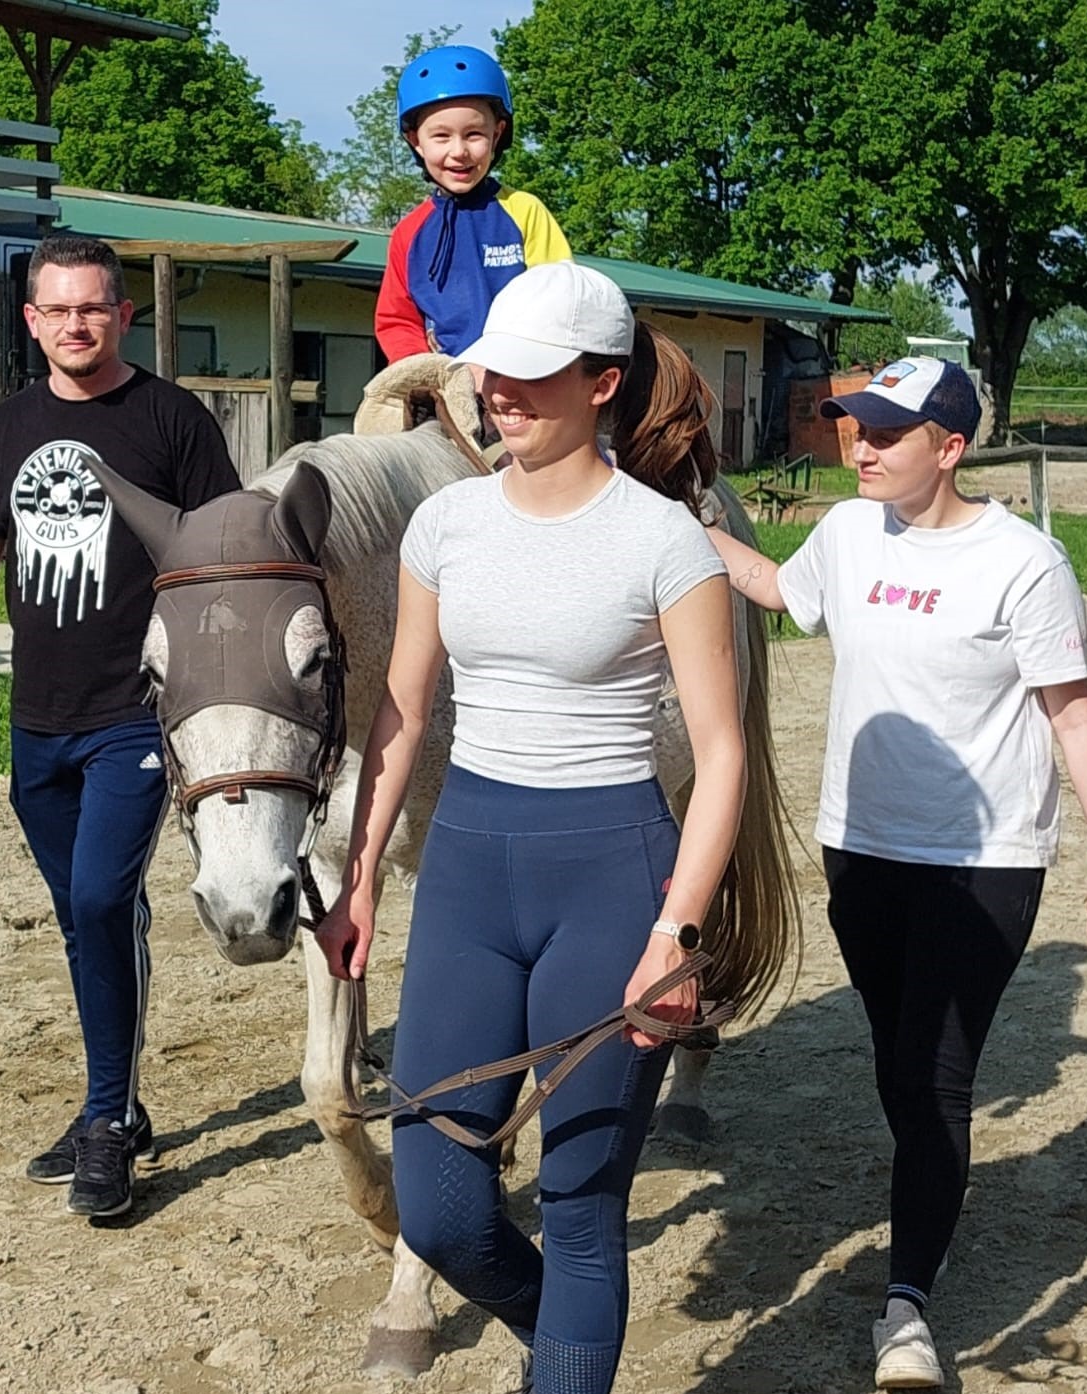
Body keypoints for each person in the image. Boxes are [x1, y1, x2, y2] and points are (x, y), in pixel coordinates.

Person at [315, 260, 760, 1394]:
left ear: (601, 382)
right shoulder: (445, 524)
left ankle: (567, 1361)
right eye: (491, 374)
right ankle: (561, 1335)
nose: (499, 394)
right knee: (442, 1209)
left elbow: (721, 755)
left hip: (611, 877)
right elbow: (402, 708)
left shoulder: (666, 542)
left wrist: (675, 934)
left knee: (580, 1206)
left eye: (530, 375)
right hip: (467, 870)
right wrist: (359, 879)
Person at [704, 356, 1087, 1388]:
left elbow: (1071, 713)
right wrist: (675, 518)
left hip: (982, 863)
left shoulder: (1024, 563)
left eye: (888, 433)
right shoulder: (849, 532)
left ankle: (905, 1306)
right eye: (857, 427)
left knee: (934, 1074)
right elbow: (776, 589)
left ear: (950, 447)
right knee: (899, 1063)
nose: (861, 447)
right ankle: (932, 1192)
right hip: (859, 847)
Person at [0, 235, 240, 1220]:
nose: (75, 324)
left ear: (122, 315)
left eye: (92, 307)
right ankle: (118, 1098)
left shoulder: (172, 420)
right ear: (32, 320)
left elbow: (225, 555)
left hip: (132, 715)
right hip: (37, 719)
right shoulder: (8, 427)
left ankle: (106, 1122)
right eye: (56, 309)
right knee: (83, 919)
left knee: (101, 902)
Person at [374, 44, 571, 363]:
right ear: (416, 141)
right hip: (445, 383)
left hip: (520, 375)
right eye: (441, 136)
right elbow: (398, 320)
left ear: (497, 134)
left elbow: (558, 297)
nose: (459, 151)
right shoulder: (408, 233)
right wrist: (424, 373)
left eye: (474, 134)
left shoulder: (525, 211)